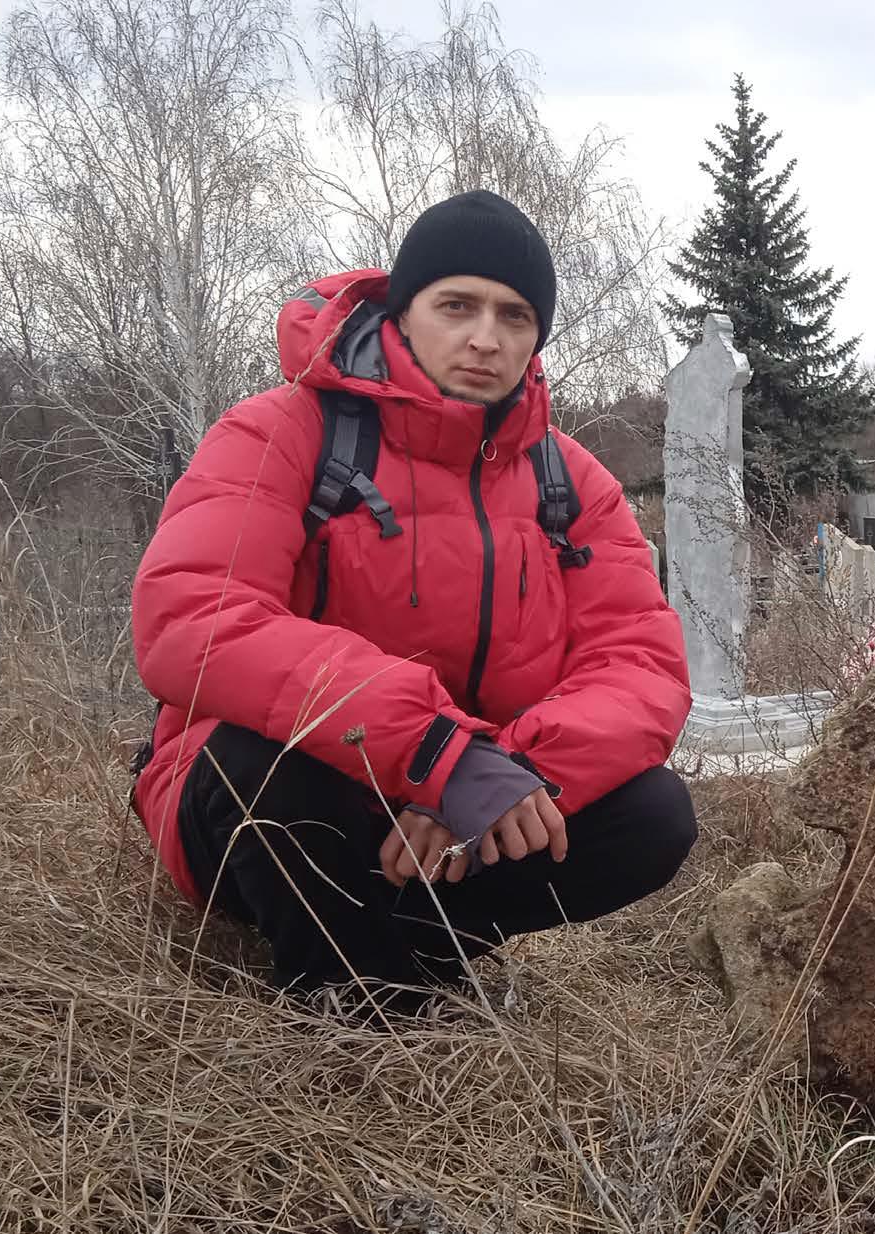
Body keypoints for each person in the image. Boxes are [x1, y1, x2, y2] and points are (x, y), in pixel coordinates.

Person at [130, 190, 696, 1015]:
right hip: (284, 787)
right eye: (456, 305)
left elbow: (639, 663)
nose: (484, 337)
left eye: (515, 316)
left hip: (462, 801)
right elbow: (192, 620)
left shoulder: (568, 480)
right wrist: (436, 751)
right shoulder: (281, 431)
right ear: (403, 310)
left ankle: (412, 953)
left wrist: (508, 776)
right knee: (272, 774)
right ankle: (355, 1000)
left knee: (653, 814)